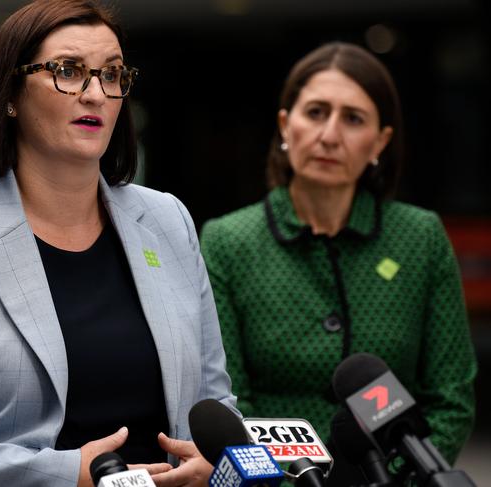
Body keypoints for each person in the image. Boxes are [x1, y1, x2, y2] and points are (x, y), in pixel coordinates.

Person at [0, 1, 236, 486]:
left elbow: (213, 400)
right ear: (10, 92)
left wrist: (215, 462)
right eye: (69, 71)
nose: (96, 93)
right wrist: (63, 474)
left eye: (113, 75)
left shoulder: (167, 220)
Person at [200, 42, 476, 478]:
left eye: (353, 118)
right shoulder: (228, 241)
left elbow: (451, 398)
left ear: (379, 142)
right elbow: (228, 398)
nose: (329, 135)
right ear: (285, 127)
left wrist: (392, 478)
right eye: (315, 113)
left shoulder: (420, 237)